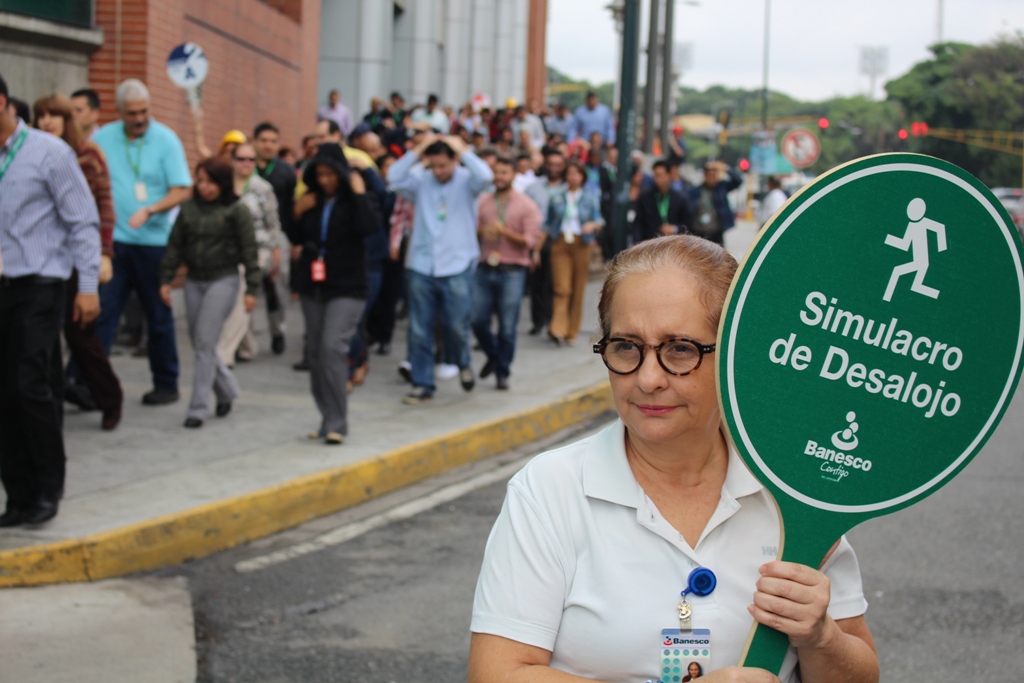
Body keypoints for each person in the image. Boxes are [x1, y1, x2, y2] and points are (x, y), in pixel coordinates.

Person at [468, 235, 879, 683]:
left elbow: (860, 673)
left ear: (736, 354)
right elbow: (498, 673)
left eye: (679, 349)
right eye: (626, 346)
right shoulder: (551, 489)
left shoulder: (793, 494)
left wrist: (820, 637)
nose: (647, 378)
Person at [0, 72, 102, 527]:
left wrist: (87, 288)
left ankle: (47, 487)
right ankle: (17, 494)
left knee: (28, 382)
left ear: (3, 103)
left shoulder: (49, 152)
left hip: (38, 285)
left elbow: (83, 221)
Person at [94, 79, 191, 406]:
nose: (139, 118)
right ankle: (89, 383)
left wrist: (150, 209)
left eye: (144, 111)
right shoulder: (103, 137)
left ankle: (166, 382)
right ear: (120, 112)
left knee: (158, 317)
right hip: (114, 243)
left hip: (153, 243)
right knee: (103, 313)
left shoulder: (166, 140)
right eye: (132, 113)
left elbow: (181, 189)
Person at [33, 92, 124, 431]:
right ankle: (51, 407)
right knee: (40, 337)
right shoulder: (28, 153)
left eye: (54, 115)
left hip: (77, 258)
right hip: (41, 260)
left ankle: (110, 398)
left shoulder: (87, 153)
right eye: (41, 115)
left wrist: (103, 253)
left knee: (80, 335)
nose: (47, 121)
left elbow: (102, 207)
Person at [388, 133, 493, 404]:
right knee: (419, 328)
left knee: (457, 325)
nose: (438, 171)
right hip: (421, 264)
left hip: (456, 264)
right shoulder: (420, 182)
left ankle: (463, 363)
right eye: (433, 165)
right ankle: (423, 384)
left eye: (443, 165)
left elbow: (485, 176)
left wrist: (463, 148)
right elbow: (393, 176)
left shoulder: (466, 181)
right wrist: (419, 149)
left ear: (453, 161)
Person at [286, 143, 378, 444]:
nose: (325, 180)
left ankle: (338, 421)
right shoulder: (311, 199)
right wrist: (296, 212)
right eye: (320, 174)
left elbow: (370, 226)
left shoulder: (355, 201)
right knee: (315, 354)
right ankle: (327, 417)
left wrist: (357, 188)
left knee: (331, 347)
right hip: (314, 285)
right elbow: (295, 234)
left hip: (348, 286)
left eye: (331, 174)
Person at [159, 157, 259, 428]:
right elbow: (175, 245)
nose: (204, 187)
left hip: (223, 279)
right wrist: (166, 279)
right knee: (199, 341)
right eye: (200, 180)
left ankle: (197, 408)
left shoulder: (237, 210)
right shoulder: (189, 209)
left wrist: (252, 288)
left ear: (223, 183)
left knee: (205, 342)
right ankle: (228, 390)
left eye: (210, 181)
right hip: (194, 280)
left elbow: (250, 251)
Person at [472, 157, 543, 390]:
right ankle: (494, 354)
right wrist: (483, 231)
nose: (500, 177)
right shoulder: (482, 201)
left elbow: (530, 240)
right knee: (476, 319)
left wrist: (506, 232)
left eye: (505, 172)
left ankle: (502, 371)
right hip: (484, 268)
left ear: (514, 174)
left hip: (512, 270)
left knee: (508, 325)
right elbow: (471, 228)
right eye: (497, 172)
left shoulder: (526, 205)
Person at [216, 143, 282, 365]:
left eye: (251, 160)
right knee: (228, 297)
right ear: (232, 160)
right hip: (226, 251)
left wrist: (276, 253)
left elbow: (273, 224)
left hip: (256, 252)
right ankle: (248, 346)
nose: (246, 164)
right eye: (241, 159)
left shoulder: (262, 188)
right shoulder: (223, 185)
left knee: (239, 296)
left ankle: (225, 353)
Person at [545, 159, 603, 346]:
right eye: (569, 173)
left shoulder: (589, 197)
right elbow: (547, 222)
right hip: (560, 241)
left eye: (577, 173)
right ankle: (558, 328)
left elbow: (599, 219)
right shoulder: (557, 196)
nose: (573, 177)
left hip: (581, 243)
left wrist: (592, 225)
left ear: (583, 176)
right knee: (562, 287)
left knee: (578, 287)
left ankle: (572, 330)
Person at [253, 121, 295, 354]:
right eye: (264, 140)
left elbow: (290, 209)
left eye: (273, 141)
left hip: (278, 235)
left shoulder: (285, 172)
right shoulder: (245, 167)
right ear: (255, 142)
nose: (268, 145)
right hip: (249, 236)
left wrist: (293, 241)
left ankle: (277, 330)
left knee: (278, 286)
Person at [523, 149, 566, 336]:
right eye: (550, 164)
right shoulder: (533, 188)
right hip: (537, 239)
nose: (554, 168)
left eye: (558, 165)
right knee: (537, 282)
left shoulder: (568, 187)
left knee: (556, 282)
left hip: (560, 240)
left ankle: (554, 321)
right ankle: (538, 321)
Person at [636, 159, 695, 243]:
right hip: (651, 243)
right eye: (655, 176)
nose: (658, 180)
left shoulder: (680, 198)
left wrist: (675, 228)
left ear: (669, 175)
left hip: (674, 243)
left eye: (661, 176)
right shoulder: (645, 197)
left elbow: (688, 223)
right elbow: (639, 223)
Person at [686, 161, 743, 245]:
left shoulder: (721, 188)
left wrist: (725, 167)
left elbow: (738, 181)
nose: (712, 178)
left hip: (716, 232)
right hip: (698, 232)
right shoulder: (695, 191)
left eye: (714, 175)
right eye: (710, 175)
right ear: (705, 175)